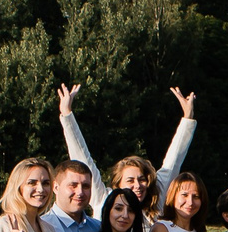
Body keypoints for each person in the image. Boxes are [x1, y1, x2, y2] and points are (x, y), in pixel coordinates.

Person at [59, 82, 198, 219]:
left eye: (142, 180)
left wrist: (188, 117)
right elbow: (83, 159)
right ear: (118, 184)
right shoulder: (104, 200)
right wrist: (67, 115)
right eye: (130, 180)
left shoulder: (155, 203)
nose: (137, 186)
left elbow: (173, 162)